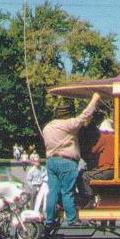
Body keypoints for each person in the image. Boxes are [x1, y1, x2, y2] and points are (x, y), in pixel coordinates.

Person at [41, 92, 100, 229]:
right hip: (67, 162)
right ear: (67, 114)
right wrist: (94, 99)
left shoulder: (47, 127)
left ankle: (49, 219)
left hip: (51, 161)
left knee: (53, 191)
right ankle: (72, 219)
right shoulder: (68, 124)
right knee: (68, 191)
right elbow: (85, 115)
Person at [81, 117, 116, 207]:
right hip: (115, 169)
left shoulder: (105, 137)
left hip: (107, 169)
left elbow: (94, 150)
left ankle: (91, 199)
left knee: (85, 175)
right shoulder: (117, 137)